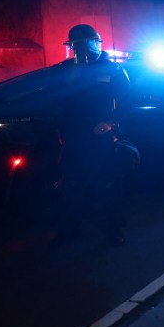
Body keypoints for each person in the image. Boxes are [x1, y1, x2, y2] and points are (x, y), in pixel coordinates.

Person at [52, 24, 131, 246]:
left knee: (108, 185)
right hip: (74, 137)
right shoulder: (66, 69)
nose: (81, 50)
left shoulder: (112, 70)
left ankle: (115, 229)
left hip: (100, 138)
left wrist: (111, 123)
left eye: (85, 44)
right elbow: (57, 101)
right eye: (76, 46)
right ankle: (69, 229)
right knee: (72, 185)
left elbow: (127, 103)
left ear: (95, 44)